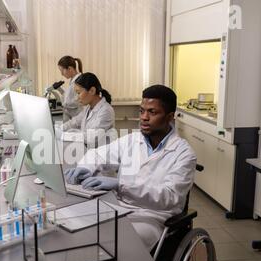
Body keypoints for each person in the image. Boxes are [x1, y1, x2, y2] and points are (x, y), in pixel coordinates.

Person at [64, 85, 197, 251]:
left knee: (117, 242)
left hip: (153, 217)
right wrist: (85, 168)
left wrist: (121, 185)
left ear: (170, 117)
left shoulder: (184, 153)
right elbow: (97, 155)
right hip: (119, 207)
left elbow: (169, 197)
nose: (144, 118)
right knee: (81, 225)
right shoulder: (132, 140)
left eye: (152, 112)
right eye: (142, 111)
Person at [59, 72, 115, 147]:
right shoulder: (88, 108)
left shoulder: (106, 110)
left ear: (92, 90)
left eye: (78, 93)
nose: (76, 97)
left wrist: (67, 135)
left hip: (101, 153)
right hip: (88, 150)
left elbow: (91, 137)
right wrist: (59, 129)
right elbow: (74, 122)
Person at [58, 56, 85, 121]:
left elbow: (78, 100)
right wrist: (60, 89)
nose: (61, 74)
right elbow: (69, 96)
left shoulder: (79, 81)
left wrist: (64, 104)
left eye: (62, 71)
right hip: (74, 118)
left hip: (79, 118)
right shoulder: (73, 80)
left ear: (70, 68)